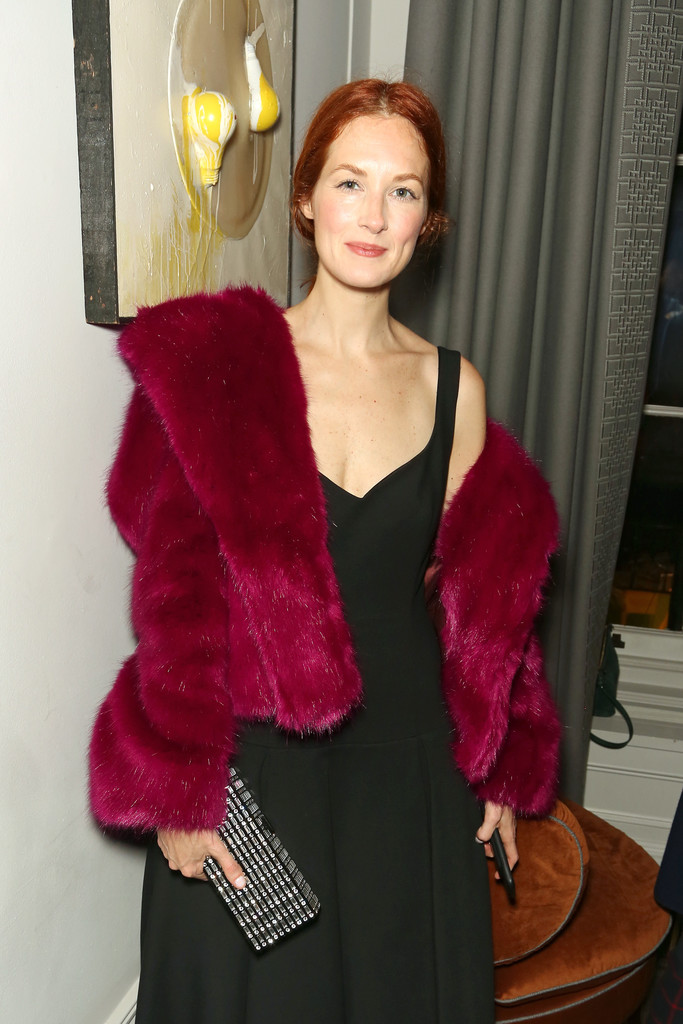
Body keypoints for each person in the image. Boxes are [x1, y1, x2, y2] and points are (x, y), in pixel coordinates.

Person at [89, 79, 562, 1023]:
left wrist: (500, 762)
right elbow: (173, 596)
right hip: (249, 771)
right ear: (305, 198)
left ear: (429, 219)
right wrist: (180, 786)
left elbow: (484, 606)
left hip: (411, 778)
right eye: (350, 182)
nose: (374, 215)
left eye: (403, 190)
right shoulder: (217, 363)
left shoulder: (453, 390)